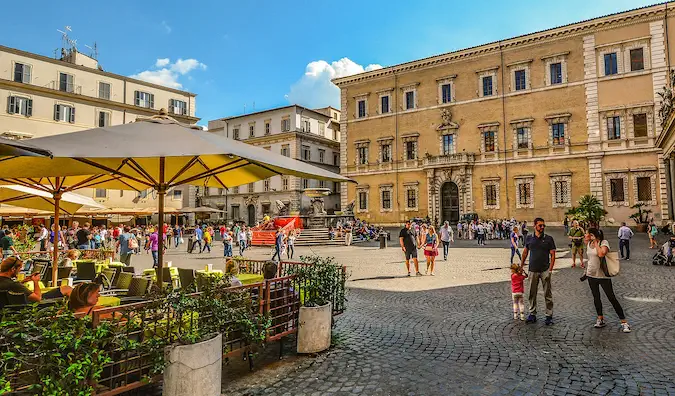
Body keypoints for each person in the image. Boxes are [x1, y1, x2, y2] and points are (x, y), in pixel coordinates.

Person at [583, 228, 631, 333]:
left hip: (603, 275)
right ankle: (600, 319)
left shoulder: (603, 243)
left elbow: (601, 254)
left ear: (592, 235)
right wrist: (586, 271)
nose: (585, 235)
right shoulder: (588, 243)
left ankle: (624, 322)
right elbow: (590, 258)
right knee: (596, 298)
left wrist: (596, 242)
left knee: (611, 298)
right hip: (591, 275)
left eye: (587, 233)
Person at [520, 217, 556, 325]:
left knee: (547, 294)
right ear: (535, 225)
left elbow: (553, 255)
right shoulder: (529, 238)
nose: (542, 227)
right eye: (540, 225)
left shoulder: (549, 238)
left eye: (543, 225)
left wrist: (550, 270)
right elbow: (525, 252)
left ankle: (549, 315)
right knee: (532, 293)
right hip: (532, 269)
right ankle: (532, 314)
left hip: (545, 269)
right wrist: (521, 266)